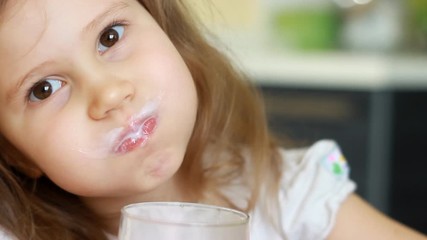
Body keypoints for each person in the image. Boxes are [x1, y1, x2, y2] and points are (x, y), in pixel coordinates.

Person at [0, 0, 425, 239]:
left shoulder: (289, 194)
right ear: (17, 155)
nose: (110, 95)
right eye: (44, 89)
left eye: (110, 37)